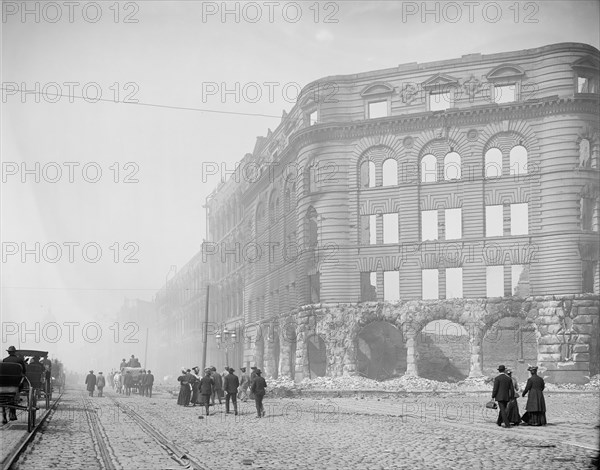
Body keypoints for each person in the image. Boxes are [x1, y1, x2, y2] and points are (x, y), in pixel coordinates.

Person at [2, 346, 26, 422]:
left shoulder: (5, 360)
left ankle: (4, 416)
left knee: (3, 398)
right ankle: (12, 413)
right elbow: (24, 371)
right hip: (16, 383)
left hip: (4, 383)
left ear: (8, 352)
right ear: (15, 352)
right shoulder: (19, 360)